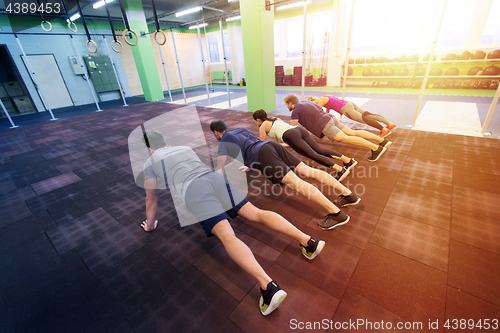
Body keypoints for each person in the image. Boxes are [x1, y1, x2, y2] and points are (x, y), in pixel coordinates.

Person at [140, 130, 326, 316]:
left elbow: (151, 199)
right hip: (215, 178)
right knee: (256, 213)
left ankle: (268, 288)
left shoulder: (150, 162)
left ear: (149, 148)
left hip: (195, 190)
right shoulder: (184, 148)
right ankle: (308, 241)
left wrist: (150, 225)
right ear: (164, 141)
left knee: (227, 235)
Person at [210, 120, 361, 231]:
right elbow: (250, 145)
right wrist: (249, 165)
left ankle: (336, 213)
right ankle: (348, 195)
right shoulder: (240, 129)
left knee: (296, 183)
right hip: (271, 146)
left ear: (216, 132)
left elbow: (220, 168)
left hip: (263, 155)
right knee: (308, 171)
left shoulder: (223, 141)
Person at [252, 109, 357, 182]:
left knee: (313, 155)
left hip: (291, 135)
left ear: (257, 120)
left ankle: (340, 170)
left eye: (255, 121)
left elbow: (263, 144)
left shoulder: (262, 126)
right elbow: (277, 133)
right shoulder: (274, 119)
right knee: (319, 150)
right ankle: (348, 160)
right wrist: (281, 145)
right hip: (298, 130)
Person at [284, 94, 391, 162]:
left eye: (286, 104)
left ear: (290, 103)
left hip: (325, 124)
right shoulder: (305, 102)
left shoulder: (295, 110)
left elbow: (292, 126)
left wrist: (286, 138)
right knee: (352, 133)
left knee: (344, 138)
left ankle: (375, 148)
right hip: (330, 118)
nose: (287, 106)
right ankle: (381, 141)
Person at [308, 95, 396, 138]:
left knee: (364, 119)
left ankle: (384, 130)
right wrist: (329, 114)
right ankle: (390, 124)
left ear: (314, 101)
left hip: (346, 109)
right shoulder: (326, 96)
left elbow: (318, 109)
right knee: (368, 114)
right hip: (349, 104)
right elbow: (329, 107)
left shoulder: (320, 101)